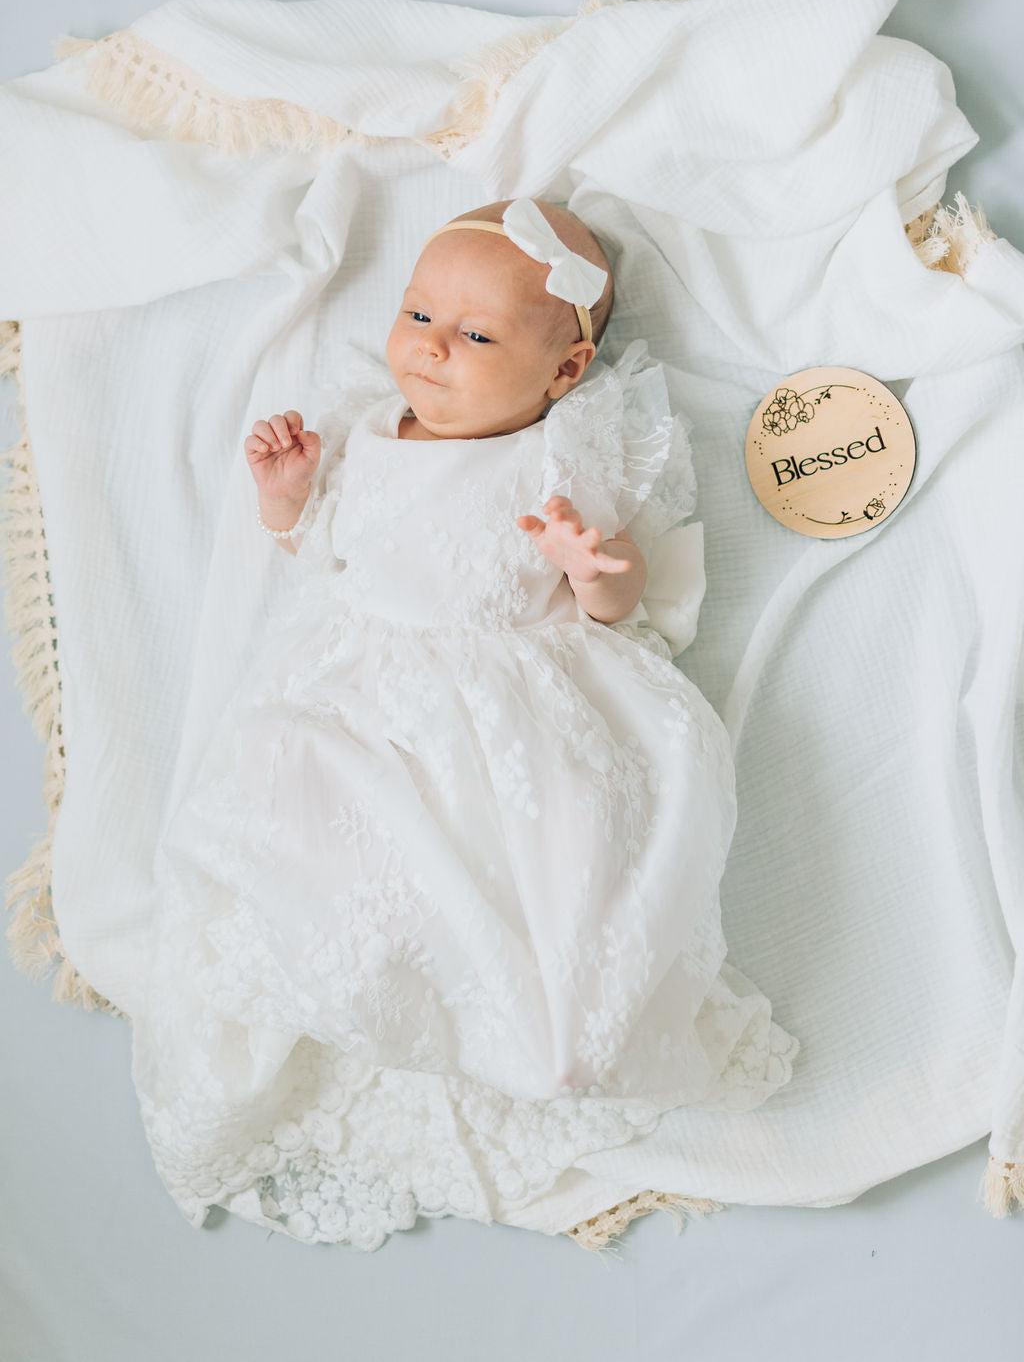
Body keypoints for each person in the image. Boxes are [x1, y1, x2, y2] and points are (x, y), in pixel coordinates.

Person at [131, 197, 799, 1241]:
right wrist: (287, 492)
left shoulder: (560, 459)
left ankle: (526, 1023)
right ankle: (353, 987)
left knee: (562, 849)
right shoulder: (362, 429)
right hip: (352, 699)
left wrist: (595, 566)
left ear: (562, 373)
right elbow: (320, 549)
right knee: (305, 838)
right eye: (418, 315)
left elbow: (629, 608)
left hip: (508, 706)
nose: (432, 349)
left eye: (477, 336)